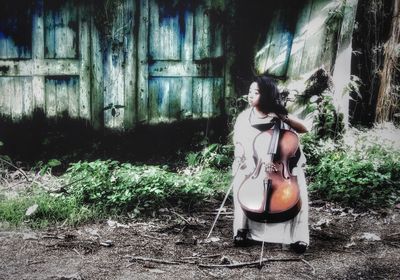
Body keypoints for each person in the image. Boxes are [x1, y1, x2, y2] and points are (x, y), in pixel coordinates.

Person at [231, 75, 309, 253]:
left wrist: (284, 117)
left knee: (298, 184)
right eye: (250, 92)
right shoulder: (244, 118)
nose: (250, 96)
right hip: (255, 164)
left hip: (280, 166)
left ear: (266, 95)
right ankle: (242, 230)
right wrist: (242, 156)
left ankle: (298, 237)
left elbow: (304, 129)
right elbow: (239, 144)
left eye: (256, 92)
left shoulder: (280, 115)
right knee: (242, 177)